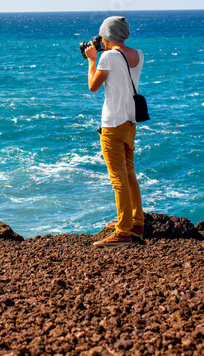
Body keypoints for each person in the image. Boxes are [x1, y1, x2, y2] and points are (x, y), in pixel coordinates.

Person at [84, 15, 145, 248]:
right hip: (130, 123)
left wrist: (92, 60)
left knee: (118, 179)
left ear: (107, 35)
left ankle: (123, 233)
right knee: (130, 175)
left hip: (112, 124)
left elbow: (93, 87)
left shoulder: (107, 57)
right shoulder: (138, 55)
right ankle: (136, 223)